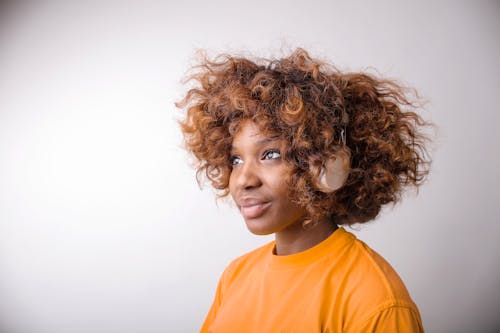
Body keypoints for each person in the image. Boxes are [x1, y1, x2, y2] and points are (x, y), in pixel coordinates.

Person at [176, 48, 429, 332]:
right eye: (236, 159)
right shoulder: (236, 276)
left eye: (270, 154)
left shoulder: (375, 302)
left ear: (328, 165)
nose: (243, 179)